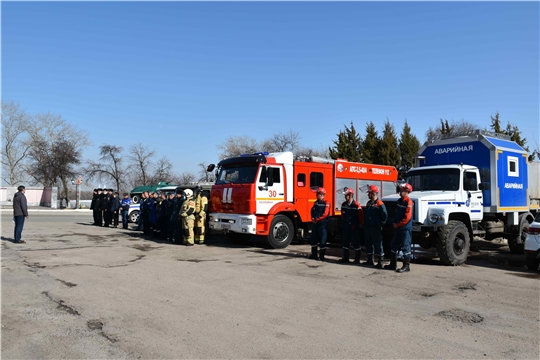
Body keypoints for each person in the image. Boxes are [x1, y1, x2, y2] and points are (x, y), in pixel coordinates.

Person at [385, 183, 414, 273]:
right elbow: (397, 214)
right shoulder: (399, 201)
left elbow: (407, 217)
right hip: (399, 227)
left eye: (402, 190)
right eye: (400, 190)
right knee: (394, 245)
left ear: (406, 191)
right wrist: (395, 223)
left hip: (405, 228)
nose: (400, 192)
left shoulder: (408, 202)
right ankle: (392, 264)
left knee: (406, 246)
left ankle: (406, 266)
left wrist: (398, 224)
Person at [363, 185, 388, 268]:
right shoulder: (369, 203)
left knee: (378, 244)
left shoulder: (379, 203)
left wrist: (380, 224)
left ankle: (380, 261)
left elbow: (384, 215)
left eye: (369, 193)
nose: (368, 195)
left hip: (375, 227)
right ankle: (370, 260)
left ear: (373, 193)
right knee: (368, 243)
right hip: (368, 227)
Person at [338, 188, 364, 264]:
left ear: (350, 195)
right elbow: (342, 215)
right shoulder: (343, 204)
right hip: (346, 227)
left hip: (354, 227)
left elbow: (361, 217)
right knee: (345, 242)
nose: (345, 197)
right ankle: (345, 258)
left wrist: (356, 225)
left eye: (346, 195)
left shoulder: (356, 205)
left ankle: (357, 259)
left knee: (356, 243)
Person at [309, 187, 330, 261]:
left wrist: (317, 219)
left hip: (322, 225)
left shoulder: (326, 203)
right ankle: (314, 254)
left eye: (318, 194)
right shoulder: (316, 202)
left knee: (322, 241)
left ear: (322, 195)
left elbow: (325, 214)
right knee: (313, 239)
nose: (316, 195)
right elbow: (312, 210)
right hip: (316, 224)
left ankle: (322, 256)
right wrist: (312, 218)